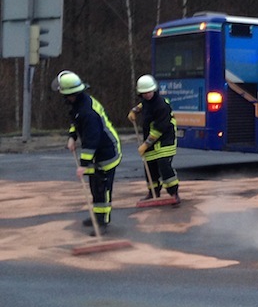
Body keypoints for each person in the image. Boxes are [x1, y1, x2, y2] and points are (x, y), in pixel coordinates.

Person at [52, 70, 122, 236]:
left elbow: (92, 141)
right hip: (97, 152)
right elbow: (76, 122)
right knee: (95, 187)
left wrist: (83, 165)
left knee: (102, 188)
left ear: (71, 94)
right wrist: (72, 137)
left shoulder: (87, 111)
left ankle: (103, 222)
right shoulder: (78, 104)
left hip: (106, 153)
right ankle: (97, 217)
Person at [127, 74, 181, 204]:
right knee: (149, 166)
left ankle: (174, 193)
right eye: (144, 93)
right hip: (151, 139)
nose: (147, 95)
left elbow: (158, 130)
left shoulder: (161, 105)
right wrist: (134, 111)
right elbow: (142, 105)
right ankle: (153, 192)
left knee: (164, 165)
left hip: (165, 139)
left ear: (154, 90)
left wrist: (145, 145)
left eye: (149, 92)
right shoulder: (146, 102)